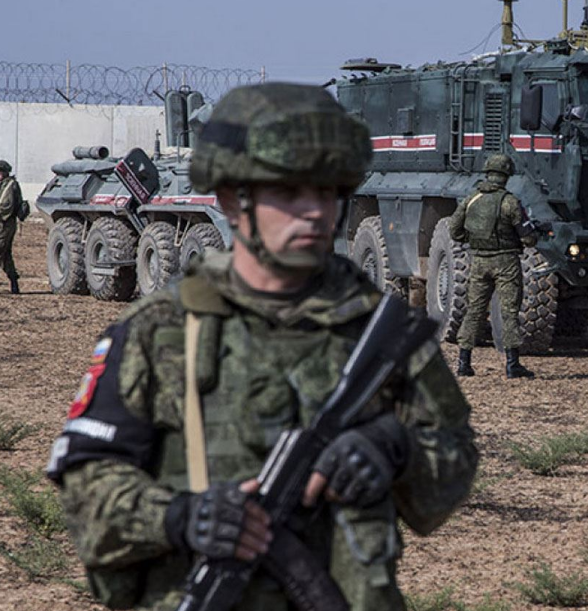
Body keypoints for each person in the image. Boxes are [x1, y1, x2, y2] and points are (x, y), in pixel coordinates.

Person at [47, 83, 478, 611]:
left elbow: (452, 468)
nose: (315, 212)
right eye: (290, 193)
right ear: (233, 198)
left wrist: (393, 448)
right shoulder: (161, 330)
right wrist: (177, 517)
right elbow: (86, 484)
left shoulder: (379, 331)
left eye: (328, 192)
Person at [449, 153, 537, 379]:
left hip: (479, 261)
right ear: (506, 175)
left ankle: (464, 363)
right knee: (509, 312)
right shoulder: (510, 202)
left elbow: (454, 231)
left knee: (474, 311)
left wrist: (473, 239)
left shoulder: (471, 199)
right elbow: (528, 239)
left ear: (487, 173)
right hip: (506, 262)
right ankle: (512, 365)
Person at [0, 160, 23, 293]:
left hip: (5, 224)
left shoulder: (9, 185)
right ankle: (14, 282)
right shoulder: (3, 185)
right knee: (5, 256)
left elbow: (5, 207)